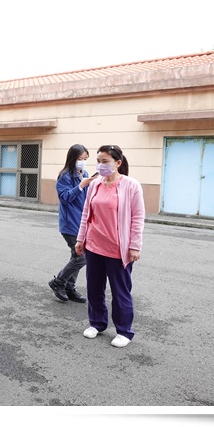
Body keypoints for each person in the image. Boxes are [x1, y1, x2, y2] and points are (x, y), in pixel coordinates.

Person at [75, 145, 145, 348]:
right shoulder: (95, 185)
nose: (100, 165)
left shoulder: (131, 185)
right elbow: (86, 214)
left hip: (117, 249)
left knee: (120, 291)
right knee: (94, 288)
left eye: (105, 161)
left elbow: (138, 217)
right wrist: (81, 239)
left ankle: (124, 330)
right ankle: (97, 323)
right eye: (98, 161)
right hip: (94, 246)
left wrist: (135, 245)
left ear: (118, 163)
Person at [48, 144, 97, 303]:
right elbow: (65, 198)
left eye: (85, 159)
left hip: (83, 223)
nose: (82, 162)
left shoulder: (85, 173)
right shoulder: (65, 176)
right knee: (82, 257)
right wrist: (81, 185)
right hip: (70, 224)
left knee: (75, 256)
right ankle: (59, 282)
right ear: (72, 158)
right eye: (79, 159)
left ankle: (70, 287)